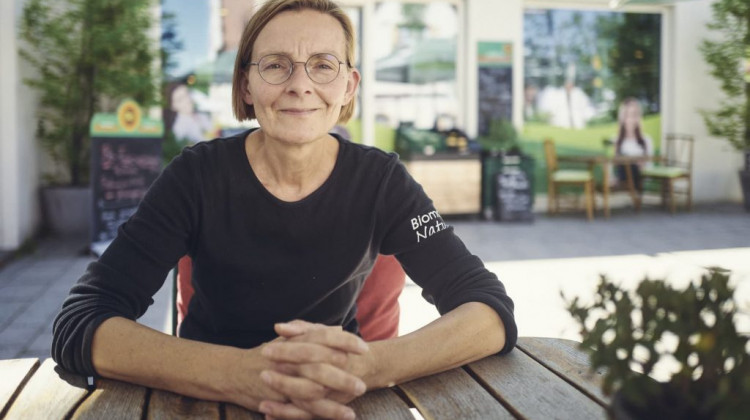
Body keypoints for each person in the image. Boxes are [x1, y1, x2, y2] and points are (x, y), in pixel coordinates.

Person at [51, 1, 517, 419]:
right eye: (276, 65)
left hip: (339, 397)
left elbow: (488, 310)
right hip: (204, 400)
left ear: (349, 86)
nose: (300, 86)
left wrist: (371, 367)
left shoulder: (382, 181)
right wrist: (237, 374)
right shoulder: (195, 177)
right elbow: (81, 320)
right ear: (245, 84)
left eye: (323, 66)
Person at [613, 97, 652, 191]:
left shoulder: (646, 140)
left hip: (638, 179)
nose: (630, 119)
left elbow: (649, 167)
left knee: (631, 165)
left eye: (633, 115)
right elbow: (614, 166)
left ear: (638, 118)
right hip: (622, 180)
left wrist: (642, 165)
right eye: (627, 115)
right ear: (622, 118)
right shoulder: (616, 140)